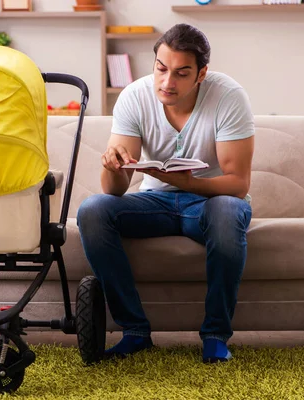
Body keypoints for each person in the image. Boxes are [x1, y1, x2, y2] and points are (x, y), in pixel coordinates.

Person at [76, 23, 254, 363]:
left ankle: (215, 335)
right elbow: (115, 191)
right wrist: (112, 167)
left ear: (201, 74)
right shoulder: (134, 96)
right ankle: (135, 332)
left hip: (210, 202)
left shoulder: (229, 97)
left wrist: (189, 184)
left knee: (229, 212)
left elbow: (237, 183)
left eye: (181, 73)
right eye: (161, 69)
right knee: (93, 210)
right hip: (153, 202)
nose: (167, 83)